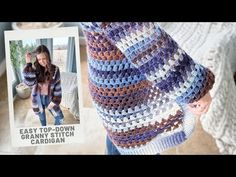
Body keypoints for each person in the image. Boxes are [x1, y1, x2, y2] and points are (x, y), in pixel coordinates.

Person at [80, 22, 215, 155]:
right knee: (133, 144)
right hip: (127, 95)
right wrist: (195, 88)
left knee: (119, 141)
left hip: (109, 85)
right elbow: (149, 48)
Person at [23, 44, 64, 126]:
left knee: (60, 118)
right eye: (39, 59)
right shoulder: (35, 69)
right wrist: (28, 64)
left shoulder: (55, 70)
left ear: (48, 56)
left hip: (50, 98)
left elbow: (57, 87)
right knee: (42, 119)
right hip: (38, 99)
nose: (41, 62)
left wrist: (55, 101)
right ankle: (44, 130)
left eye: (44, 58)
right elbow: (30, 83)